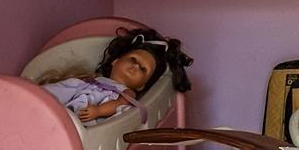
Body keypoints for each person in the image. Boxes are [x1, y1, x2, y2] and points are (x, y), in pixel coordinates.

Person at [39, 27, 191, 124]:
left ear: (141, 85)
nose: (135, 66)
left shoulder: (126, 92)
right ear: (115, 62)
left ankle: (53, 116)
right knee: (69, 85)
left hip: (88, 110)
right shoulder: (93, 80)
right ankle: (37, 98)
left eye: (143, 69)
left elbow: (119, 104)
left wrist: (98, 111)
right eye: (133, 60)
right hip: (78, 93)